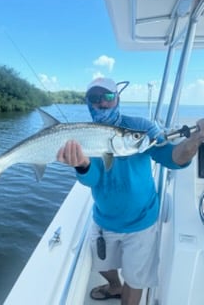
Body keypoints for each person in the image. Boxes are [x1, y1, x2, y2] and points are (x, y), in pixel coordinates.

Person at [57, 77, 204, 305]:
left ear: (117, 98)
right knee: (103, 265)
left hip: (141, 222)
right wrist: (81, 164)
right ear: (88, 102)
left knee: (135, 281)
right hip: (104, 219)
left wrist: (195, 140)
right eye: (95, 99)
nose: (102, 104)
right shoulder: (86, 135)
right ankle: (114, 286)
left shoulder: (141, 127)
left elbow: (171, 158)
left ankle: (125, 292)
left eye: (107, 97)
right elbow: (92, 179)